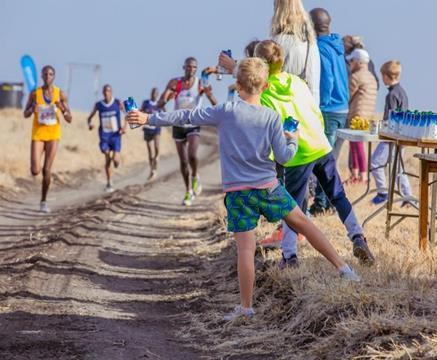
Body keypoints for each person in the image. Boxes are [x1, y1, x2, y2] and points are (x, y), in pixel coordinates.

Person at [126, 57, 360, 321]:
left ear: (237, 85)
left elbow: (186, 115)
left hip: (238, 193)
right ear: (265, 85)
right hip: (269, 187)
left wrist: (148, 118)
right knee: (304, 223)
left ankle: (246, 308)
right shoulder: (272, 117)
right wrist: (292, 139)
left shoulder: (226, 111)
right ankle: (344, 269)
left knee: (246, 250)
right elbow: (283, 157)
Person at [254, 40, 375, 268]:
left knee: (293, 207)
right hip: (319, 143)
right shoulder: (297, 82)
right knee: (338, 195)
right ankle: (357, 236)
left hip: (297, 151)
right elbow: (314, 110)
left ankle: (289, 256)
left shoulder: (263, 93)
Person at [157, 57, 218, 206]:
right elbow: (161, 101)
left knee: (192, 156)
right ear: (184, 67)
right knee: (183, 161)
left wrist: (209, 95)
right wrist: (167, 99)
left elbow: (214, 103)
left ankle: (195, 176)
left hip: (193, 123)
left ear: (196, 69)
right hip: (178, 124)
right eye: (189, 67)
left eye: (194, 67)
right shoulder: (175, 83)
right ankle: (188, 191)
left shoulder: (200, 83)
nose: (191, 69)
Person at [309, 8, 350, 215]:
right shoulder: (337, 45)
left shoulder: (320, 48)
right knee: (329, 158)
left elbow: (327, 81)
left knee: (323, 160)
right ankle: (328, 202)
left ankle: (323, 203)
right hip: (342, 108)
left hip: (329, 109)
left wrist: (317, 106)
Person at [23, 65, 72, 213]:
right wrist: (32, 109)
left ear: (54, 76)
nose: (48, 76)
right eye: (45, 74)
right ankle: (41, 192)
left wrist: (62, 108)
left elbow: (69, 118)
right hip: (38, 134)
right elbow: (25, 114)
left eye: (50, 74)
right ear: (42, 76)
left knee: (47, 169)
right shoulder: (34, 93)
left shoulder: (60, 94)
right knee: (35, 170)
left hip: (53, 135)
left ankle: (43, 200)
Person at [371, 60, 412, 205]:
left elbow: (390, 119)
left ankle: (382, 192)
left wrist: (379, 126)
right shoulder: (402, 92)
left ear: (387, 76)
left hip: (391, 137)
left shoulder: (391, 95)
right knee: (398, 167)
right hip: (403, 134)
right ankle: (407, 197)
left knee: (375, 162)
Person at [346, 49, 378, 185]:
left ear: (358, 62)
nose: (350, 64)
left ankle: (362, 175)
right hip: (367, 115)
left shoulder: (355, 77)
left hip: (357, 114)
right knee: (357, 144)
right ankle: (357, 174)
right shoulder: (371, 77)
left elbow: (347, 96)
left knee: (356, 145)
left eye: (352, 61)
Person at [87, 84, 126, 193]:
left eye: (108, 91)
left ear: (111, 92)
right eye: (104, 91)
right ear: (102, 93)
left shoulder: (118, 102)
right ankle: (109, 182)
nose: (106, 93)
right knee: (107, 159)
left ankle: (117, 160)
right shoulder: (99, 105)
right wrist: (90, 124)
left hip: (116, 136)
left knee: (116, 161)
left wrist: (124, 127)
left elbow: (127, 114)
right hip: (104, 136)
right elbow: (89, 117)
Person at [141, 87, 161, 180]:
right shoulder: (146, 103)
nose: (154, 94)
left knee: (156, 147)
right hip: (147, 128)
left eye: (156, 93)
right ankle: (152, 170)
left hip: (156, 128)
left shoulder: (159, 104)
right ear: (151, 94)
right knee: (150, 151)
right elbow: (141, 111)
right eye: (153, 92)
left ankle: (157, 157)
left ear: (158, 94)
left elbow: (164, 114)